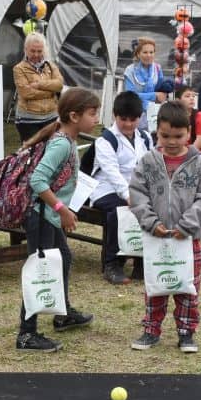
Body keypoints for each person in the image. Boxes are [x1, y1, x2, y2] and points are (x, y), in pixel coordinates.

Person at [16, 88, 99, 352]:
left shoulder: (67, 139)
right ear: (74, 116)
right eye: (92, 113)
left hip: (49, 216)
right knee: (40, 272)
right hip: (41, 216)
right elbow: (37, 180)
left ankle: (61, 314)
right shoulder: (62, 143)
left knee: (63, 259)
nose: (96, 118)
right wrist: (62, 209)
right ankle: (26, 334)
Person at [128, 101, 201, 353]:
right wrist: (150, 222)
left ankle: (186, 331)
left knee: (187, 286)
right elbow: (137, 194)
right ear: (157, 131)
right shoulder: (148, 161)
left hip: (188, 239)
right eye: (165, 135)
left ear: (189, 133)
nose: (172, 141)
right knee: (155, 285)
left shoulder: (199, 163)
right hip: (156, 237)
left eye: (178, 136)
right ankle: (151, 329)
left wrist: (187, 225)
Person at [90, 91, 153, 285]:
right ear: (114, 116)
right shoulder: (105, 140)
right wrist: (128, 195)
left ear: (140, 117)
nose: (127, 124)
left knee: (154, 208)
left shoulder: (146, 137)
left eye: (133, 119)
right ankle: (112, 263)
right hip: (105, 188)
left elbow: (150, 166)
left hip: (136, 188)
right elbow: (112, 173)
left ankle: (142, 262)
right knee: (119, 211)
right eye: (123, 119)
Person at [12, 33, 64, 142]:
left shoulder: (51, 65)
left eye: (39, 51)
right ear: (26, 49)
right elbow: (26, 93)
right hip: (28, 120)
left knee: (50, 152)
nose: (36, 54)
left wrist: (39, 85)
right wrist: (51, 90)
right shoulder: (18, 68)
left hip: (51, 117)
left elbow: (59, 85)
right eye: (32, 51)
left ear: (44, 50)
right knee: (32, 154)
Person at [124, 37, 167, 131]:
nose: (149, 55)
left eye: (151, 52)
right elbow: (130, 95)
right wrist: (153, 95)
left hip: (155, 113)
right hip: (134, 113)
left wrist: (165, 91)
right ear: (138, 54)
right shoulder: (130, 70)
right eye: (145, 52)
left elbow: (160, 91)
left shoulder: (157, 68)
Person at [175, 84, 201, 158]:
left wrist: (186, 156)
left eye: (193, 96)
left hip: (199, 153)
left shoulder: (199, 115)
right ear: (178, 100)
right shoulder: (175, 116)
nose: (192, 98)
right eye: (187, 96)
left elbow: (200, 139)